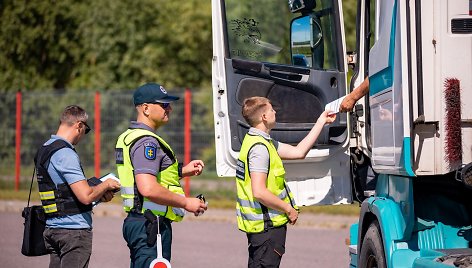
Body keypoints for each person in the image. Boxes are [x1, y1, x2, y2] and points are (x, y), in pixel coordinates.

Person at [236, 96, 336, 267]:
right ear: (264, 117)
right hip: (266, 228)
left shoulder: (260, 141)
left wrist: (321, 121)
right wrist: (288, 209)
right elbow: (259, 191)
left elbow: (299, 152)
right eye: (271, 110)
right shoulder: (259, 149)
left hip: (264, 228)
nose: (275, 112)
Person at [115, 82, 208, 267]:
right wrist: (186, 202)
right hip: (151, 224)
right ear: (146, 108)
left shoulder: (129, 136)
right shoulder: (146, 142)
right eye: (164, 104)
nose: (170, 108)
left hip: (141, 221)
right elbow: (147, 187)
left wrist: (182, 171)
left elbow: (144, 175)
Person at [36, 105, 121, 268]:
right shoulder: (65, 153)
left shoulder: (45, 148)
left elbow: (62, 191)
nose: (83, 135)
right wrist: (106, 185)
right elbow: (85, 196)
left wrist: (99, 194)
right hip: (73, 232)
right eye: (86, 130)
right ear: (79, 125)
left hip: (52, 229)